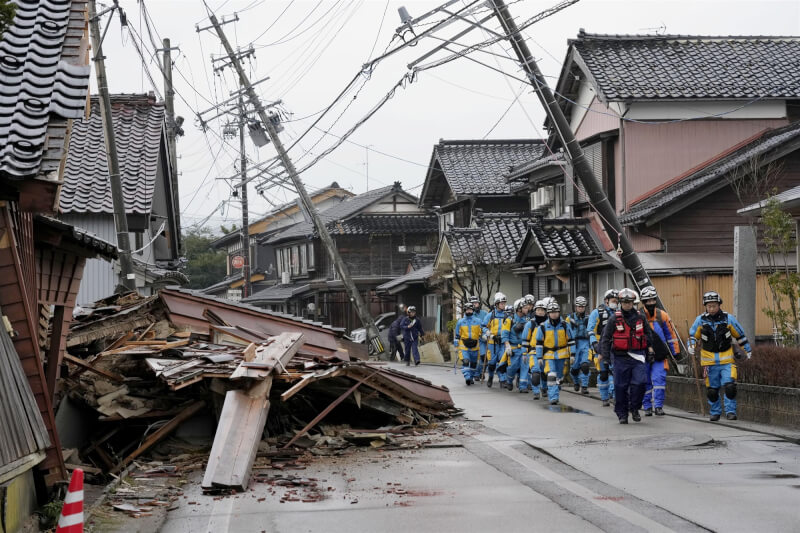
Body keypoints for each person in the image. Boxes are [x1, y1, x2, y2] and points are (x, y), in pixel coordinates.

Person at [688, 291, 752, 421]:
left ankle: (730, 411)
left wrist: (747, 349)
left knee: (730, 386)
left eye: (714, 306)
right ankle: (715, 411)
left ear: (719, 305)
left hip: (727, 359)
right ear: (705, 306)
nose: (711, 309)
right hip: (708, 362)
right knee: (712, 390)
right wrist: (691, 346)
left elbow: (740, 335)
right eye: (709, 306)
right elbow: (693, 336)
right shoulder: (700, 320)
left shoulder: (728, 319)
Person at [600, 288, 657, 424]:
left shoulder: (640, 317)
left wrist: (650, 350)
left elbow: (649, 335)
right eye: (624, 302)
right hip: (620, 358)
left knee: (641, 383)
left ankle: (635, 408)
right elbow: (606, 339)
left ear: (633, 303)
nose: (627, 305)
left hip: (638, 356)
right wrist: (606, 358)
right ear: (620, 303)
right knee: (620, 387)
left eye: (629, 302)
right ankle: (622, 414)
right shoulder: (614, 319)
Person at [640, 286, 679, 416]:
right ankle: (647, 406)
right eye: (647, 301)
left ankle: (658, 406)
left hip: (660, 354)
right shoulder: (638, 316)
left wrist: (676, 352)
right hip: (643, 355)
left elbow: (671, 335)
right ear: (643, 301)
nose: (650, 303)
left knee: (659, 380)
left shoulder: (662, 315)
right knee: (645, 381)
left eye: (652, 300)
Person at [535, 301, 575, 405]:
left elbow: (571, 341)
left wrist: (572, 354)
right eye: (551, 312)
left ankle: (555, 390)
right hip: (548, 355)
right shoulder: (543, 327)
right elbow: (539, 343)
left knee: (559, 377)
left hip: (562, 355)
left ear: (559, 313)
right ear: (548, 314)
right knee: (551, 375)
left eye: (556, 312)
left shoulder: (565, 325)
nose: (554, 314)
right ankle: (553, 397)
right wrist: (539, 357)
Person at [588, 289, 618, 406]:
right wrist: (595, 344)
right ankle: (605, 397)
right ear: (606, 301)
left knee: (616, 372)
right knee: (603, 373)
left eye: (617, 301)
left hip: (615, 346)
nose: (615, 303)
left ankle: (616, 396)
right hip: (601, 346)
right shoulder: (597, 313)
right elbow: (590, 330)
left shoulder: (619, 313)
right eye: (613, 301)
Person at [499, 298, 530, 392]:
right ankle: (509, 379)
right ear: (518, 309)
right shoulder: (509, 320)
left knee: (525, 367)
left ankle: (523, 386)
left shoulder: (528, 320)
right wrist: (507, 345)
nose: (527, 309)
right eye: (525, 308)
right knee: (513, 367)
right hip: (513, 348)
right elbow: (504, 333)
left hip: (524, 348)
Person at [482, 292, 511, 388]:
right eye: (501, 303)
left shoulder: (507, 316)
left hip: (502, 342)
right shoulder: (490, 315)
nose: (503, 305)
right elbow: (483, 327)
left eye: (504, 303)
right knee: (492, 363)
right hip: (492, 343)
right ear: (497, 304)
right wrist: (489, 334)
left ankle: (502, 380)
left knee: (502, 362)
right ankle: (490, 377)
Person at [523, 300, 548, 399]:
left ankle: (545, 388)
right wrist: (524, 353)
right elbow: (525, 340)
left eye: (542, 310)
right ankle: (536, 391)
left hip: (546, 352)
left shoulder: (549, 324)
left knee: (545, 372)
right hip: (533, 352)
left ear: (546, 311)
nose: (540, 312)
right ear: (535, 311)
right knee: (536, 372)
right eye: (538, 310)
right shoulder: (530, 324)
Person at [566, 296, 592, 394]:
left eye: (582, 306)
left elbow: (592, 330)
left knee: (585, 365)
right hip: (574, 344)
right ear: (575, 307)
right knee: (575, 368)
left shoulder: (588, 318)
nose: (581, 308)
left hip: (585, 343)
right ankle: (576, 381)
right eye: (579, 306)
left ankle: (584, 386)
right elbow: (566, 332)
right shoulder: (570, 318)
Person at [454, 302, 483, 385]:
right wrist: (456, 346)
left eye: (470, 309)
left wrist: (485, 335)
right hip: (464, 346)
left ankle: (471, 377)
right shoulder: (460, 322)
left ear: (473, 310)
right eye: (467, 310)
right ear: (464, 311)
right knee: (466, 361)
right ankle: (467, 377)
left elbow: (482, 331)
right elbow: (457, 335)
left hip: (475, 346)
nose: (469, 311)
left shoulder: (478, 321)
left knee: (474, 364)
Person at [470, 295, 490, 381]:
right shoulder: (469, 315)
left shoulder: (484, 313)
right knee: (475, 358)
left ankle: (481, 372)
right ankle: (475, 373)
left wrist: (487, 332)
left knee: (483, 356)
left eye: (476, 303)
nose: (475, 305)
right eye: (473, 303)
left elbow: (488, 324)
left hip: (484, 338)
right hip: (474, 339)